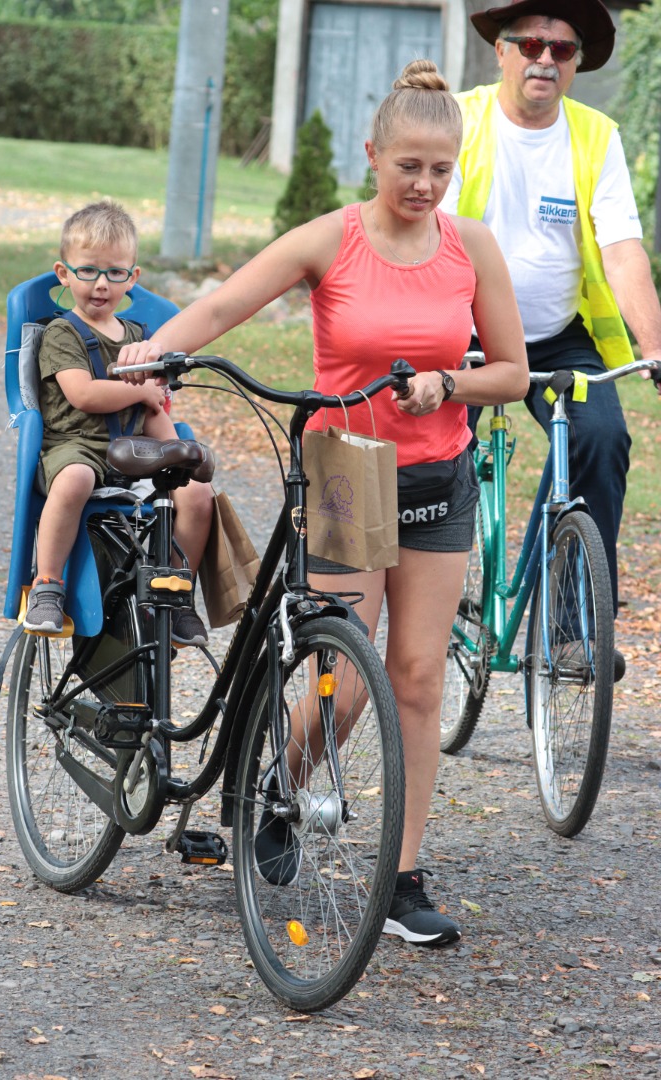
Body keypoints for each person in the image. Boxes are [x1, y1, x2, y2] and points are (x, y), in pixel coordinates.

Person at [116, 60, 528, 946]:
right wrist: (157, 350)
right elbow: (228, 301)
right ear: (373, 156)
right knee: (343, 682)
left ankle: (405, 876)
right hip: (346, 466)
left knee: (416, 681)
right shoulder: (330, 240)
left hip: (436, 475)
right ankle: (279, 782)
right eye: (407, 165)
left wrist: (450, 384)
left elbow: (512, 373)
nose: (423, 184)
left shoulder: (471, 247)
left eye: (440, 170)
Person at [441, 0, 661, 680]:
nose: (545, 58)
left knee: (599, 439)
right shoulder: (460, 119)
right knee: (435, 462)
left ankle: (569, 635)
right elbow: (425, 235)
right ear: (501, 52)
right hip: (462, 334)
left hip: (560, 338)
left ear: (575, 66)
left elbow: (622, 250)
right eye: (531, 43)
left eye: (562, 50)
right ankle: (436, 605)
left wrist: (653, 345)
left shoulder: (596, 137)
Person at [24, 200, 213, 644]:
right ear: (64, 273)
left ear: (133, 278)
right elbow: (83, 394)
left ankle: (176, 592)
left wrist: (176, 456)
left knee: (199, 495)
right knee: (73, 480)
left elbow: (153, 413)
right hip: (75, 446)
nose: (101, 284)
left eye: (115, 272)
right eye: (88, 271)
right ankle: (48, 585)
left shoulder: (139, 341)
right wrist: (142, 391)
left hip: (131, 452)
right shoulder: (62, 333)